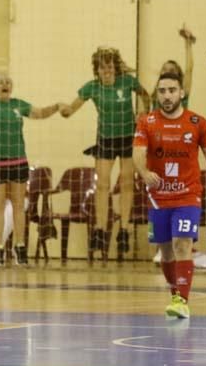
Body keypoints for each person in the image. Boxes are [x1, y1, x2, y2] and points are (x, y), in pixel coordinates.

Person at [133, 71, 206, 319]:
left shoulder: (197, 122)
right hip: (159, 198)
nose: (167, 95)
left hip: (188, 196)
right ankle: (176, 294)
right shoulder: (147, 122)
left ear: (181, 93)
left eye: (172, 90)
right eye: (162, 91)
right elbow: (138, 153)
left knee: (182, 244)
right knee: (165, 252)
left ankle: (182, 301)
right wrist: (144, 172)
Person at [0, 42, 62, 266]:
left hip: (18, 161)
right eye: (0, 82)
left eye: (7, 83)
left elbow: (39, 113)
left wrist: (56, 107)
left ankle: (20, 248)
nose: (5, 85)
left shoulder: (18, 104)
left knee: (20, 206)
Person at [60, 46, 149, 259]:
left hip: (128, 137)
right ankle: (99, 230)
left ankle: (124, 230)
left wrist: (144, 113)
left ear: (115, 68)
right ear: (97, 70)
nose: (106, 71)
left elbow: (145, 95)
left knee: (127, 181)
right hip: (105, 139)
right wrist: (63, 110)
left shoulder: (127, 82)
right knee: (102, 184)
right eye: (102, 68)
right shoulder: (92, 88)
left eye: (110, 67)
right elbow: (71, 109)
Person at [151, 24, 196, 109]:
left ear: (178, 74)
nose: (167, 72)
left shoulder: (182, 90)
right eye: (164, 69)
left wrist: (188, 43)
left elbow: (189, 69)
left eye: (172, 70)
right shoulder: (156, 91)